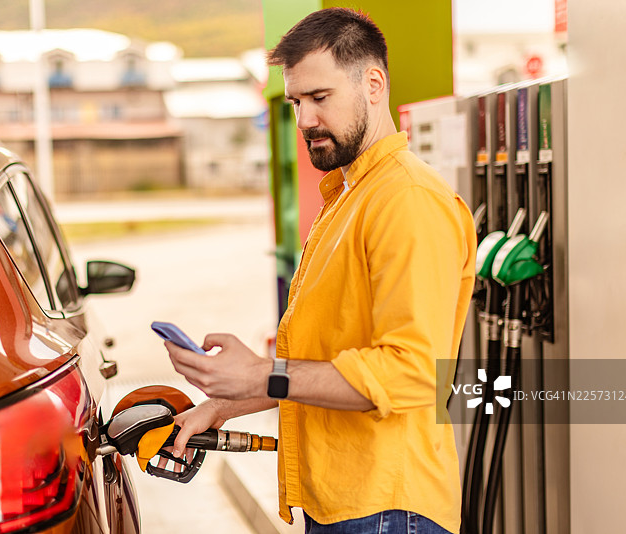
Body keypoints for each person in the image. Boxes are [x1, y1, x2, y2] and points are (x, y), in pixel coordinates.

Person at [160, 7, 476, 534]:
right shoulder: (349, 196)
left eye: (319, 98)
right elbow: (323, 364)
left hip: (388, 510)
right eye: (295, 102)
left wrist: (261, 373)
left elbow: (409, 373)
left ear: (373, 84)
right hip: (346, 505)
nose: (304, 120)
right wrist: (222, 403)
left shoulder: (408, 201)